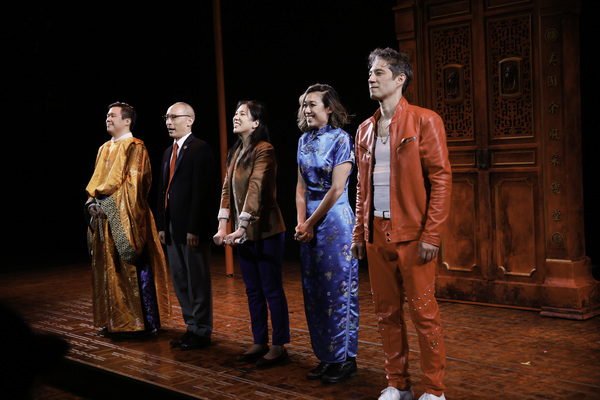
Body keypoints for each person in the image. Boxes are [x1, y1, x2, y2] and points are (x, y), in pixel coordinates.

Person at [351, 48, 452, 400]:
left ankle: (435, 391)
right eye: (370, 72)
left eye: (379, 73)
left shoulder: (425, 120)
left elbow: (441, 179)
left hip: (413, 234)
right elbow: (362, 187)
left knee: (424, 314)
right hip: (376, 233)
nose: (371, 78)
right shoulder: (364, 129)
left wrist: (432, 233)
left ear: (399, 79)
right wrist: (359, 233)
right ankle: (397, 384)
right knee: (386, 314)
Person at [213, 100, 290, 367]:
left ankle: (279, 346)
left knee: (271, 289)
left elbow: (256, 187)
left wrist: (241, 227)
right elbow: (226, 190)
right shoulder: (235, 151)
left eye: (242, 114)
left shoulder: (264, 149)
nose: (236, 117)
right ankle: (259, 342)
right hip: (241, 233)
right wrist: (223, 226)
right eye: (235, 113)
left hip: (266, 231)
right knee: (253, 290)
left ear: (256, 123)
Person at [85, 102, 171, 338]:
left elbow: (135, 185)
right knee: (108, 269)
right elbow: (96, 182)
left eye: (112, 115)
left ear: (127, 121)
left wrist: (108, 206)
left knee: (131, 267)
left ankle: (140, 323)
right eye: (107, 115)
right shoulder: (103, 148)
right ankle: (113, 321)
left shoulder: (136, 146)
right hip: (104, 217)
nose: (108, 118)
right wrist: (92, 204)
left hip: (127, 217)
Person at [295, 84, 359, 383]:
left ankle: (344, 360)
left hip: (334, 221)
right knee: (315, 293)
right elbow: (299, 187)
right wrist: (300, 222)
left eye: (312, 104)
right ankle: (325, 357)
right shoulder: (302, 141)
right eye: (304, 105)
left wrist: (310, 223)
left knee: (338, 293)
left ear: (328, 108)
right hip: (308, 222)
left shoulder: (342, 139)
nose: (307, 110)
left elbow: (336, 189)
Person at [156, 102, 217, 351]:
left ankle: (203, 330)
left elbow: (203, 193)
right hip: (171, 226)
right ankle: (190, 327)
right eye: (166, 117)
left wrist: (196, 228)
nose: (169, 122)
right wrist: (161, 223)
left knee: (197, 280)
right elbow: (163, 191)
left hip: (192, 229)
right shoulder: (168, 151)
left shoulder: (200, 149)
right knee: (180, 279)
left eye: (174, 117)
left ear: (189, 120)